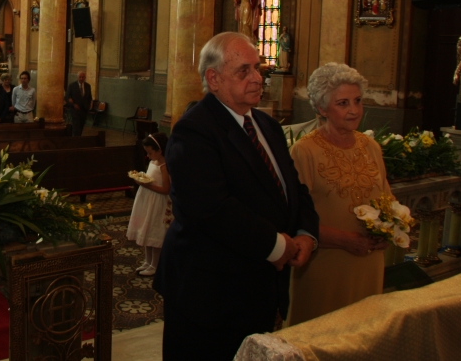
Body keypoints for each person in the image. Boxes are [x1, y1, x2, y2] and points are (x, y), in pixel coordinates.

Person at [154, 32, 319, 361]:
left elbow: (293, 189)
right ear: (213, 79)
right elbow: (209, 210)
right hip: (210, 293)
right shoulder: (194, 130)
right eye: (244, 71)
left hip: (258, 286)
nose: (258, 78)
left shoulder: (267, 126)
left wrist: (306, 233)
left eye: (257, 69)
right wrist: (277, 245)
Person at [286, 63, 391, 326]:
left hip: (368, 263)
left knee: (363, 335)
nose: (354, 110)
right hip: (325, 264)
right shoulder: (305, 151)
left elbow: (388, 201)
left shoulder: (371, 147)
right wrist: (345, 240)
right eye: (343, 103)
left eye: (357, 101)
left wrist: (390, 231)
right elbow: (293, 216)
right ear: (322, 108)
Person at [127, 133, 172, 277]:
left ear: (159, 150)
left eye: (150, 152)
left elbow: (166, 189)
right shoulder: (153, 162)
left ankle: (155, 265)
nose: (148, 156)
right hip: (147, 200)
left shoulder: (164, 165)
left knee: (154, 232)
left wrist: (146, 186)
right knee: (146, 228)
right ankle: (148, 261)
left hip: (158, 203)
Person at [65, 71, 93, 136]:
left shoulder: (87, 86)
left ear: (85, 78)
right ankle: (75, 137)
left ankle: (79, 137)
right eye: (80, 77)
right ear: (77, 77)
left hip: (84, 109)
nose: (81, 78)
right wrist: (72, 104)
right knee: (76, 124)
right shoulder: (72, 85)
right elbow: (67, 97)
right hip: (75, 109)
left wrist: (89, 105)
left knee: (81, 124)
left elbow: (89, 97)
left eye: (83, 77)